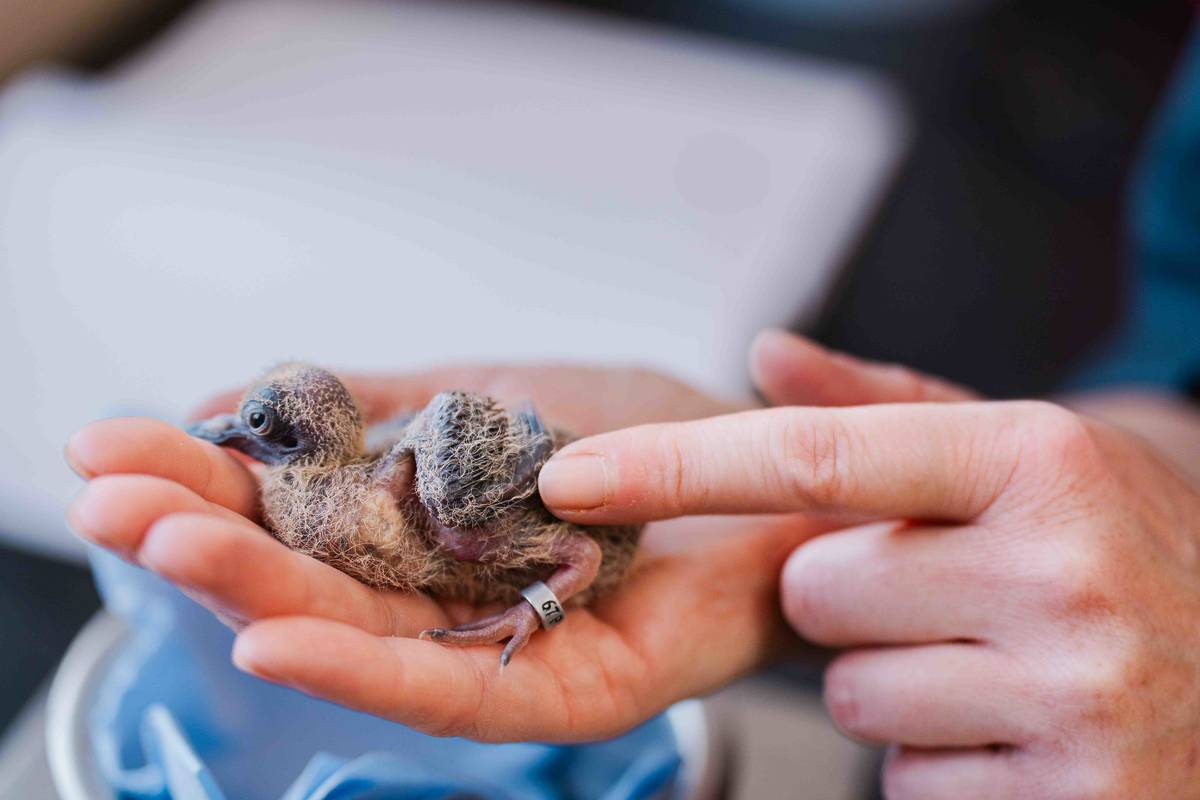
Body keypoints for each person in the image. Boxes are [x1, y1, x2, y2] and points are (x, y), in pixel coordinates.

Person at [62, 32, 1200, 800]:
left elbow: (539, 520)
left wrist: (541, 599)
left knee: (461, 512)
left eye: (266, 435)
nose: (242, 448)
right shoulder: (342, 486)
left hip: (552, 534)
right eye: (256, 433)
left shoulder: (424, 497)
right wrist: (1156, 447)